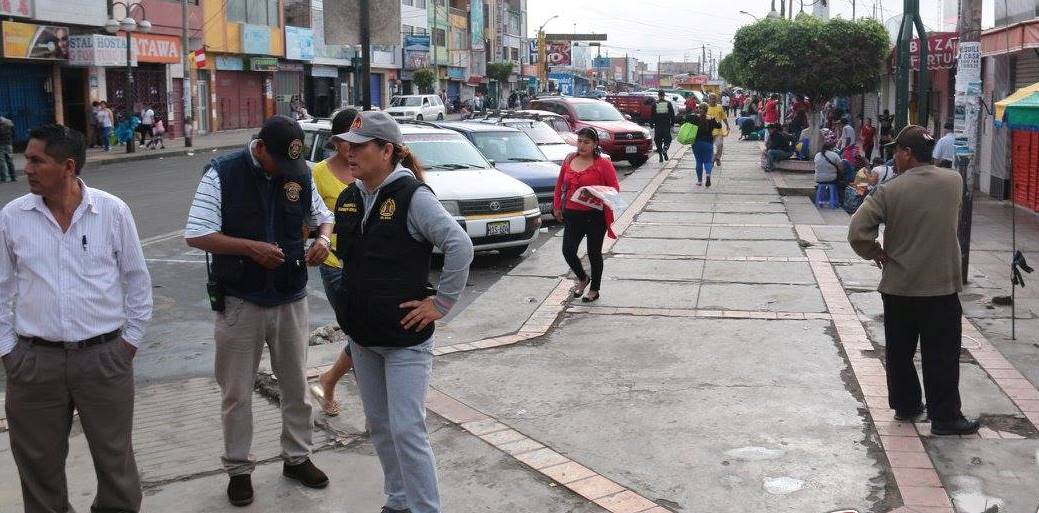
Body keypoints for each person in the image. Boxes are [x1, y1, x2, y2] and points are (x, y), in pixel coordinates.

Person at [1, 124, 153, 513]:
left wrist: (127, 344)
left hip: (103, 358)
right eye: (27, 158)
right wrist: (10, 354)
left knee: (116, 463)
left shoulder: (112, 211)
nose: (26, 167)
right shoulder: (12, 217)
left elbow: (137, 282)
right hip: (35, 363)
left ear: (67, 167)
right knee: (38, 467)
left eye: (37, 160)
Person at [184, 115, 334, 506]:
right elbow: (197, 233)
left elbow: (323, 216)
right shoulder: (222, 172)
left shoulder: (296, 174)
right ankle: (238, 469)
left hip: (290, 296)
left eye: (292, 166)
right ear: (260, 147)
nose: (284, 173)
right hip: (240, 299)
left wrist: (322, 239)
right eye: (278, 163)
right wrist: (251, 248)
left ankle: (297, 457)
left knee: (297, 386)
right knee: (237, 392)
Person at [331, 110, 474, 513]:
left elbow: (458, 245)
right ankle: (397, 502)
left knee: (408, 430)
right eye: (346, 145)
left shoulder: (413, 197)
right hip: (362, 336)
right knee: (379, 427)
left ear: (386, 151)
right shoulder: (352, 196)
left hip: (405, 341)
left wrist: (441, 303)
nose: (349, 153)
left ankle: (425, 508)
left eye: (359, 147)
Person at [848, 125, 980, 436]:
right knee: (942, 354)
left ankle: (906, 406)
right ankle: (945, 418)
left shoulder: (890, 190)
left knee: (899, 351)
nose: (894, 156)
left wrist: (875, 252)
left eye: (897, 151)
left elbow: (857, 231)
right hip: (941, 287)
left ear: (908, 154)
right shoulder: (954, 181)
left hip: (899, 286)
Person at [309, 108, 358, 417]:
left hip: (367, 262)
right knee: (359, 329)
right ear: (338, 140)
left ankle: (329, 379)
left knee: (366, 331)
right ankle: (329, 382)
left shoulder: (369, 168)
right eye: (352, 134)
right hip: (334, 262)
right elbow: (310, 222)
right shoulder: (318, 174)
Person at [553, 126, 619, 302]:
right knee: (568, 250)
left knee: (593, 253)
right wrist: (557, 206)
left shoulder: (603, 163)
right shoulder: (569, 160)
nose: (582, 145)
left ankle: (594, 289)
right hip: (573, 214)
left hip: (595, 216)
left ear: (595, 144)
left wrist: (594, 191)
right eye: (580, 141)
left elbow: (614, 188)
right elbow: (560, 185)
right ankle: (583, 278)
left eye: (586, 142)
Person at [688, 104, 722, 186]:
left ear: (699, 109)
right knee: (707, 161)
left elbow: (685, 120)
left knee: (699, 161)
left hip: (696, 143)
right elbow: (719, 126)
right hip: (708, 143)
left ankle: (699, 181)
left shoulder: (694, 118)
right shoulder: (711, 119)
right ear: (707, 110)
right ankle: (708, 176)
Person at [651, 90, 676, 163]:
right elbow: (672, 115)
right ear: (664, 95)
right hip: (666, 126)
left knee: (657, 140)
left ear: (658, 95)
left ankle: (660, 156)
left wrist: (651, 124)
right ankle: (665, 148)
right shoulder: (668, 103)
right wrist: (672, 124)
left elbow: (652, 115)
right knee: (668, 139)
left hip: (658, 126)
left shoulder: (654, 104)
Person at [706, 94, 730, 167]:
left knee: (719, 145)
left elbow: (724, 117)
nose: (712, 100)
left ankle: (717, 158)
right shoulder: (706, 107)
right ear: (709, 99)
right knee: (709, 147)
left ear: (716, 99)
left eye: (714, 98)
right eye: (711, 98)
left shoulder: (719, 107)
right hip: (708, 131)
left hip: (718, 130)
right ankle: (713, 159)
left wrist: (727, 125)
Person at [0, 115, 14, 182]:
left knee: (1, 161)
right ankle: (13, 177)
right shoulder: (9, 122)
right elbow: (13, 132)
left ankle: (4, 178)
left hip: (1, 144)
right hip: (9, 143)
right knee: (10, 160)